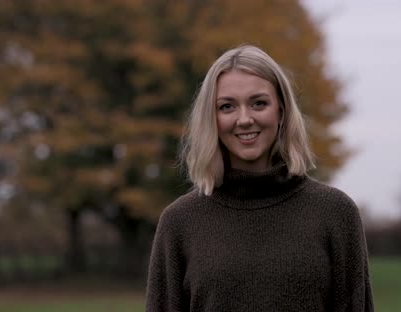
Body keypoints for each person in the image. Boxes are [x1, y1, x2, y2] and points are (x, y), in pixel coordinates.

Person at [145, 45, 374, 311]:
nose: (244, 119)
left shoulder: (334, 212)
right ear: (212, 118)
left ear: (281, 110)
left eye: (259, 103)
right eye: (227, 106)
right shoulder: (180, 222)